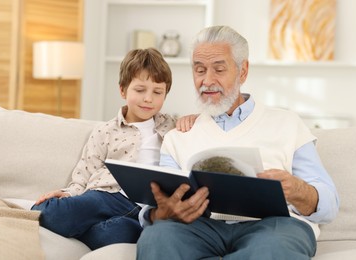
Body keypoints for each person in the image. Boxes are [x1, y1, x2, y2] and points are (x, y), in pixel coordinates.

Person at [136, 26, 339, 259]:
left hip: (274, 226)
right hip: (198, 227)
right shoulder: (179, 134)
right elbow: (157, 204)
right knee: (157, 238)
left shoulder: (287, 123)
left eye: (219, 69)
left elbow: (329, 204)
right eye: (199, 70)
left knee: (274, 249)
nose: (207, 80)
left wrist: (298, 190)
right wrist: (162, 212)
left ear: (243, 71)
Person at [32, 48, 196, 250]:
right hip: (106, 196)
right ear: (123, 90)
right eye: (140, 90)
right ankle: (74, 221)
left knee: (117, 234)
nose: (148, 98)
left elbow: (205, 126)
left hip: (145, 210)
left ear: (165, 94)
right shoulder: (106, 131)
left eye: (157, 92)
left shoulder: (171, 125)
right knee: (49, 213)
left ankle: (85, 232)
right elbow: (85, 172)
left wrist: (193, 118)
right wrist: (69, 194)